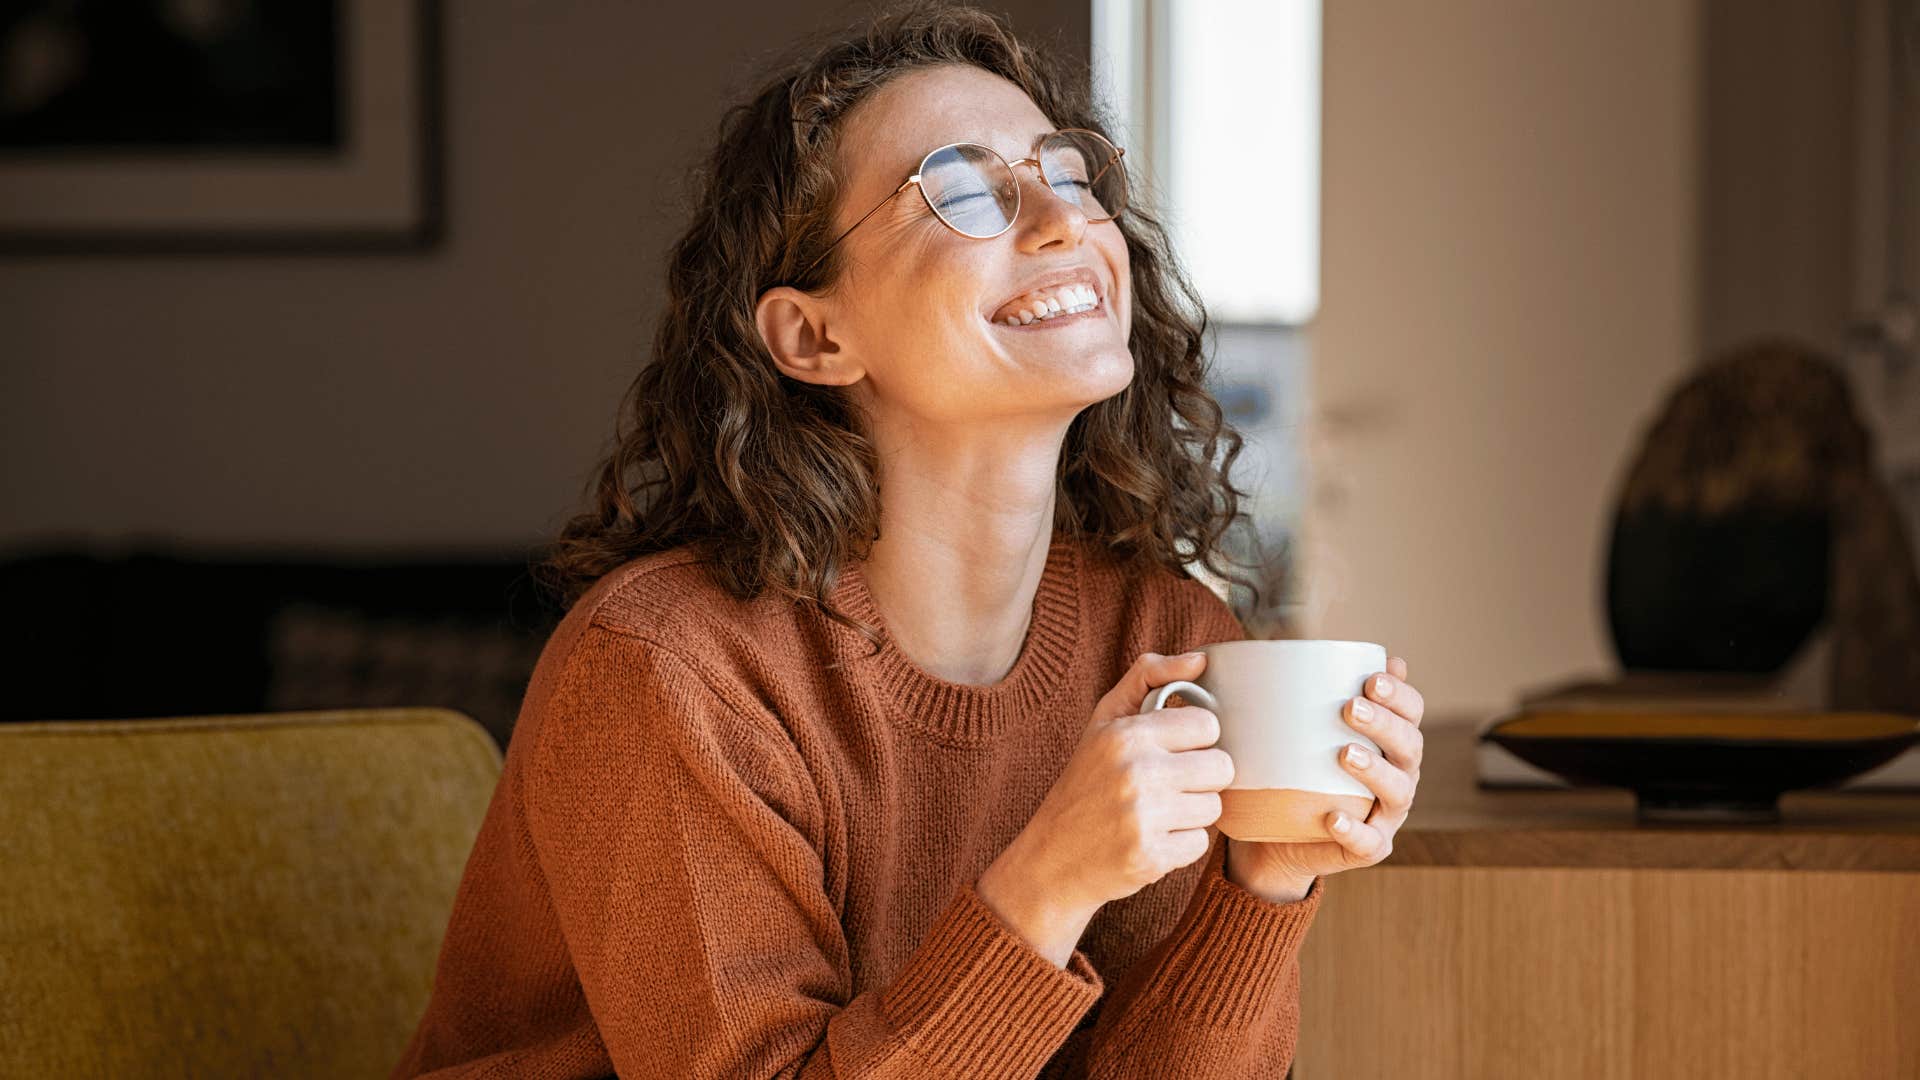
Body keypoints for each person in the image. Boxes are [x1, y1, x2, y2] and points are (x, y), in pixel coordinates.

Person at [391, 3, 1425, 1076]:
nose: (1064, 221)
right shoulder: (670, 672)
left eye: (1068, 175)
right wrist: (1047, 886)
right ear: (815, 335)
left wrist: (1262, 884)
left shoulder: (1166, 637)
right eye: (966, 191)